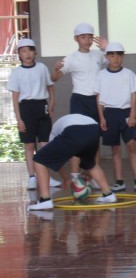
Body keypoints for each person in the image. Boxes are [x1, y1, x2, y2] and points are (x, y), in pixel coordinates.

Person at [51, 23, 107, 187]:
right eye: (83, 37)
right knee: (77, 139)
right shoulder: (71, 58)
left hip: (96, 101)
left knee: (95, 140)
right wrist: (56, 69)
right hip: (79, 101)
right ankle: (75, 176)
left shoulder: (98, 55)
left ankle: (94, 177)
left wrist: (106, 47)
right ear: (76, 39)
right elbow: (54, 78)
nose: (87, 40)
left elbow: (114, 60)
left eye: (90, 37)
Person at [28, 113, 116, 210]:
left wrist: (66, 179)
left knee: (39, 159)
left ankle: (45, 200)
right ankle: (108, 194)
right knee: (90, 164)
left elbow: (53, 161)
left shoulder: (53, 134)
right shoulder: (64, 123)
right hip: (94, 129)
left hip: (74, 130)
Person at [7, 38, 62, 190]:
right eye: (23, 51)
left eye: (30, 50)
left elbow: (50, 87)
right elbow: (15, 97)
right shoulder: (16, 72)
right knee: (29, 145)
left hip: (41, 105)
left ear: (35, 52)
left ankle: (46, 177)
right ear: (19, 54)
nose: (27, 54)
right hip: (26, 108)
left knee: (45, 144)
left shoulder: (42, 68)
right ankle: (32, 177)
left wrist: (51, 104)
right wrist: (19, 119)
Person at [94, 42, 136, 193]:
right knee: (115, 149)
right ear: (106, 57)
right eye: (112, 55)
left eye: (119, 55)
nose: (115, 58)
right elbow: (99, 98)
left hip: (126, 113)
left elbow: (133, 95)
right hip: (110, 114)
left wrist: (132, 115)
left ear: (123, 56)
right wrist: (102, 118)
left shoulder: (129, 74)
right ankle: (119, 182)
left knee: (131, 146)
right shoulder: (101, 75)